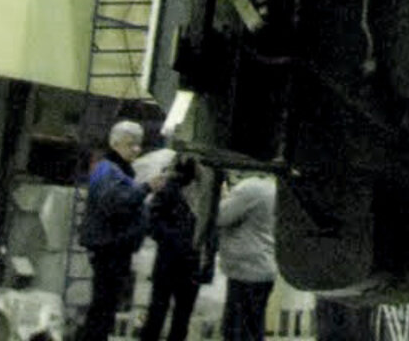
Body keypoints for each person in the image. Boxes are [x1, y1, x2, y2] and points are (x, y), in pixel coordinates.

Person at [78, 121, 147, 341]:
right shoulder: (106, 169)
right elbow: (113, 203)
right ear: (115, 143)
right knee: (103, 305)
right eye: (130, 144)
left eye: (139, 144)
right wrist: (145, 189)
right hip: (108, 248)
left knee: (107, 306)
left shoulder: (121, 171)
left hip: (117, 248)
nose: (136, 149)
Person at [138, 159, 202, 341]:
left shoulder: (206, 192)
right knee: (158, 312)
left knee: (182, 317)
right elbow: (152, 220)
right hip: (170, 260)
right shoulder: (170, 189)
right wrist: (174, 239)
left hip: (190, 262)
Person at [213, 177, 275, 341]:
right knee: (254, 328)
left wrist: (221, 195)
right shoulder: (273, 187)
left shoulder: (251, 188)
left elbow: (220, 216)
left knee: (237, 331)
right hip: (264, 265)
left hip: (246, 270)